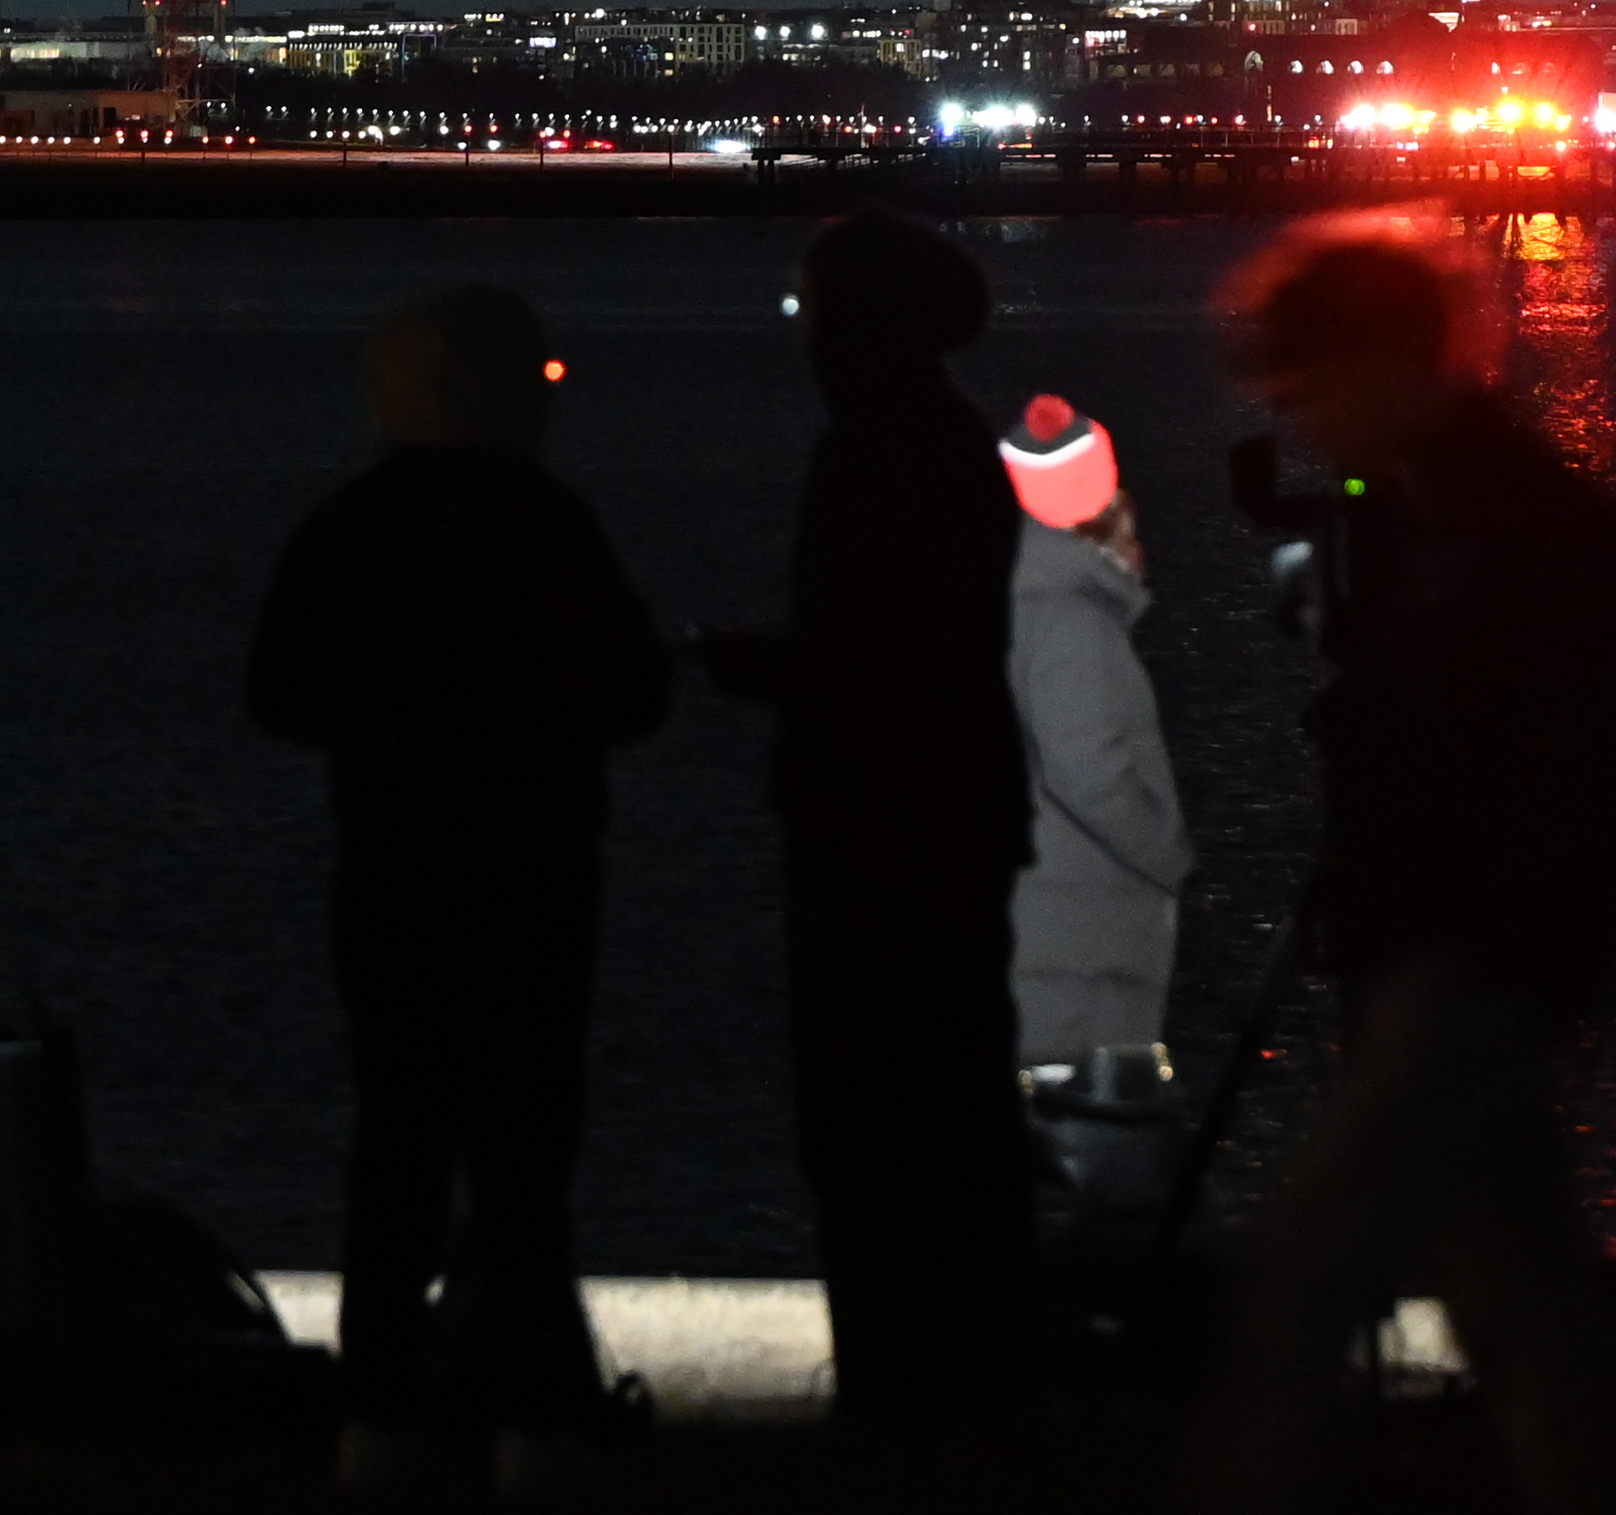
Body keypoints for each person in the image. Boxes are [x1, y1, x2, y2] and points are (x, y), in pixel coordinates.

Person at [1188, 223, 1616, 1515]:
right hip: (1476, 963)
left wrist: (1484, 932)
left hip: (1459, 966)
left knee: (1297, 1285)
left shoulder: (1492, 521)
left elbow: (1556, 749)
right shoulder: (1465, 508)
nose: (1301, 420)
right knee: (1529, 1317)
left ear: (1388, 357)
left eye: (1309, 385)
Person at [246, 284, 668, 1495]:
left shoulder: (349, 526)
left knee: (396, 1146)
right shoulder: (547, 524)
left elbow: (274, 692)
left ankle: (376, 1413)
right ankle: (537, 1418)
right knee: (526, 1163)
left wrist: (389, 719)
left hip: (388, 876)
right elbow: (637, 693)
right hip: (536, 881)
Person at [698, 206, 1035, 1453]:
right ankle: (966, 1373)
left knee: (874, 1111)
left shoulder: (882, 451)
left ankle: (903, 1385)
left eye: (816, 310)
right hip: (944, 806)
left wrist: (777, 673)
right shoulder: (941, 440)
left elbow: (883, 655)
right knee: (947, 1104)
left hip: (879, 814)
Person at [997, 394, 1193, 1065]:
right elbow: (1091, 768)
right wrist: (1168, 856)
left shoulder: (1009, 607)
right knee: (1088, 1140)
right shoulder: (1071, 622)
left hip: (1040, 945)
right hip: (1080, 959)